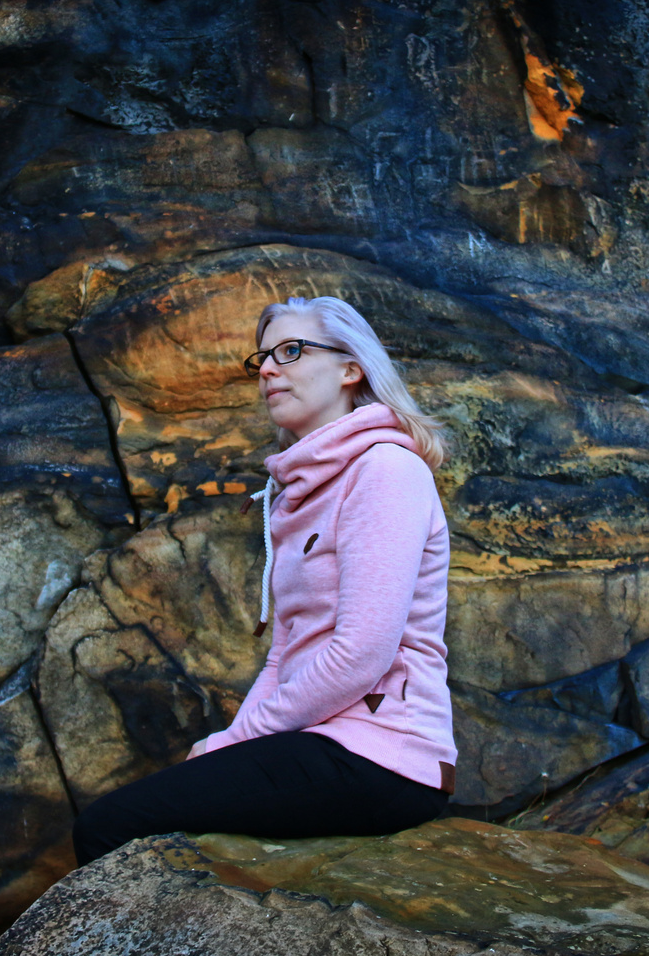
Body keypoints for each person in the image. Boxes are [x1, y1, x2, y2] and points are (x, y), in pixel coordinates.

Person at [71, 295, 456, 865]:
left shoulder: (385, 470)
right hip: (326, 742)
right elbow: (284, 656)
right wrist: (231, 741)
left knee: (111, 827)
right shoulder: (300, 491)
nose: (268, 369)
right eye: (263, 359)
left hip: (385, 754)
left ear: (351, 368)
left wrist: (239, 740)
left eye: (291, 351)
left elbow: (360, 654)